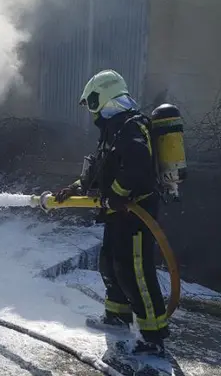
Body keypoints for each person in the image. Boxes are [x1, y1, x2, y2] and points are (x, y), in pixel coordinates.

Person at [55, 69, 169, 357]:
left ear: (103, 96)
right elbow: (99, 172)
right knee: (111, 264)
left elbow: (138, 168)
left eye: (92, 101)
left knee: (136, 272)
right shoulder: (113, 129)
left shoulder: (130, 127)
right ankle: (117, 317)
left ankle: (152, 337)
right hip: (119, 214)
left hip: (136, 213)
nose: (91, 110)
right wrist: (74, 188)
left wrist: (116, 195)